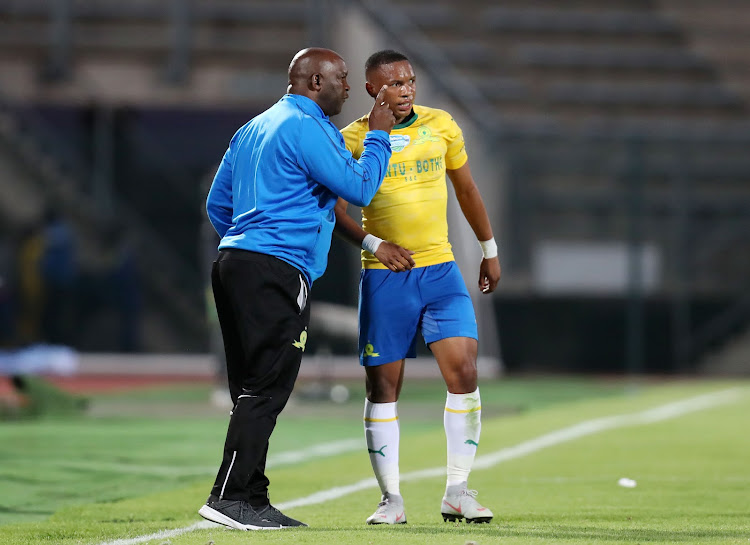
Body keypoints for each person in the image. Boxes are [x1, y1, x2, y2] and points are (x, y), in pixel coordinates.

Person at [199, 47, 395, 531]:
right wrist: (379, 137)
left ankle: (251, 495)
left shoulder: (252, 127)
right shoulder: (307, 127)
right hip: (275, 269)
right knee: (267, 385)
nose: (348, 88)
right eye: (342, 79)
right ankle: (230, 497)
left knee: (250, 387)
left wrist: (247, 238)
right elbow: (362, 188)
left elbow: (217, 203)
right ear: (314, 82)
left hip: (233, 262)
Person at [334, 50, 502, 525]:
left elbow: (467, 190)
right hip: (385, 277)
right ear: (372, 90)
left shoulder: (441, 125)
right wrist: (374, 243)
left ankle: (458, 491)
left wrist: (489, 249)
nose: (406, 90)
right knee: (383, 388)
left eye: (410, 81)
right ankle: (391, 500)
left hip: (441, 270)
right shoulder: (353, 139)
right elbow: (335, 211)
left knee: (464, 372)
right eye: (394, 84)